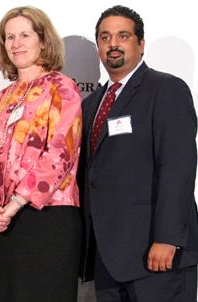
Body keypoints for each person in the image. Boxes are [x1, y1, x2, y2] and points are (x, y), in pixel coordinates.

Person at [78, 5, 198, 301]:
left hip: (156, 255)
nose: (113, 44)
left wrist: (167, 239)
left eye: (123, 36)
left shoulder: (166, 89)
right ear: (98, 48)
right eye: (105, 38)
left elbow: (178, 168)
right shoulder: (91, 103)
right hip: (107, 259)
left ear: (141, 44)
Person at [0, 6, 83, 301]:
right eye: (9, 37)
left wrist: (14, 204)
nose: (16, 44)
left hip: (47, 216)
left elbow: (61, 155)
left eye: (24, 35)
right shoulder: (2, 97)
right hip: (3, 221)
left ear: (43, 40)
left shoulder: (62, 87)